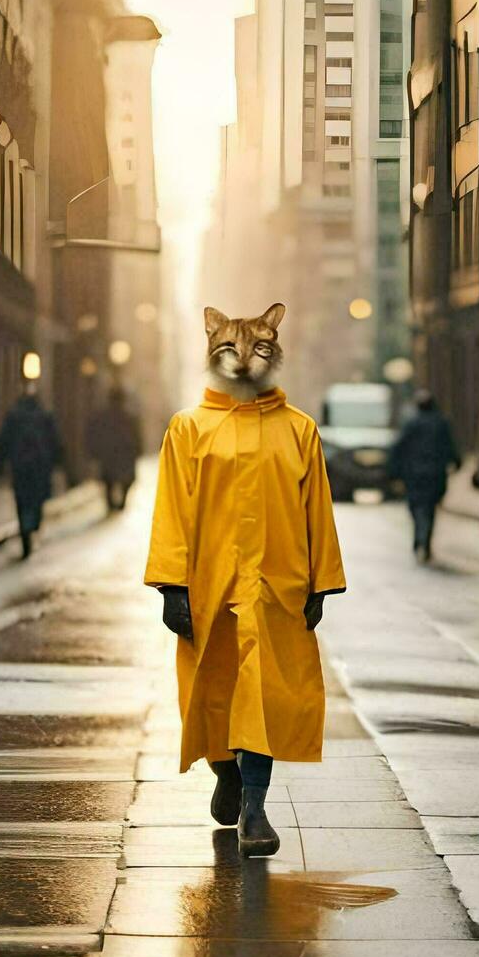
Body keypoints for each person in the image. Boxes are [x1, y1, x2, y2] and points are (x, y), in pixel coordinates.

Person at [147, 302, 346, 858]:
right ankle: (226, 773)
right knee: (213, 694)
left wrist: (321, 582)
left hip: (276, 591)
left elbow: (317, 510)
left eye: (255, 349)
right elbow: (171, 509)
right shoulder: (188, 429)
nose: (242, 362)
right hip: (208, 589)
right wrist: (172, 585)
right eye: (230, 350)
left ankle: (255, 807)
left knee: (266, 694)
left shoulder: (299, 430)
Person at [389, 390, 461, 563]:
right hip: (435, 474)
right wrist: (456, 462)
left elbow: (397, 448)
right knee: (429, 509)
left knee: (416, 508)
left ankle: (420, 537)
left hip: (414, 476)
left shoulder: (411, 424)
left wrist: (394, 473)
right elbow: (450, 446)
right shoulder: (441, 423)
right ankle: (424, 539)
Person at [0, 386, 63, 559]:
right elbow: (54, 440)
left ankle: (25, 526)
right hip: (40, 465)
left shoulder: (14, 417)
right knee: (38, 497)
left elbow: (4, 440)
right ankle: (34, 524)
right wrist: (58, 461)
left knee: (21, 498)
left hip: (20, 465)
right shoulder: (45, 416)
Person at [87, 387, 143, 511]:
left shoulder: (126, 417)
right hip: (116, 455)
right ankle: (115, 503)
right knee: (116, 480)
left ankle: (114, 503)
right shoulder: (128, 417)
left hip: (114, 455)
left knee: (112, 481)